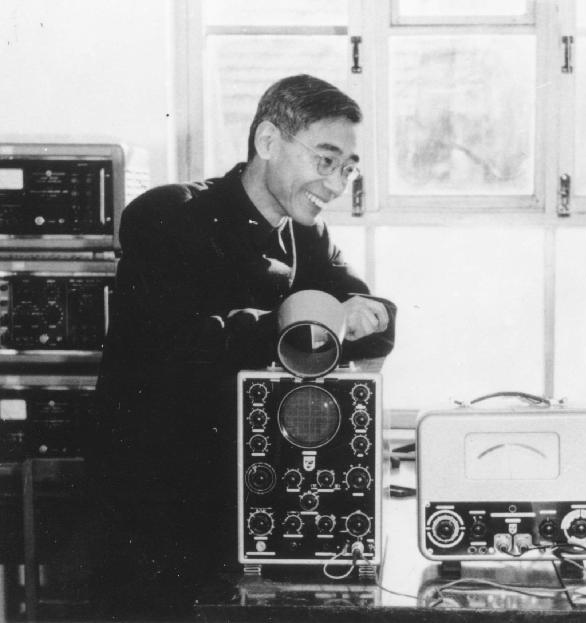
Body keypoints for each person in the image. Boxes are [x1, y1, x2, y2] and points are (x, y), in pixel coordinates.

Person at [86, 74, 396, 617]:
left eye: (347, 169)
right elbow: (181, 350)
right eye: (325, 161)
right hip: (156, 506)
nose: (337, 183)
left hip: (252, 500)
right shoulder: (169, 215)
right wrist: (300, 323)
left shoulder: (307, 235)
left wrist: (350, 320)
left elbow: (373, 316)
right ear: (269, 142)